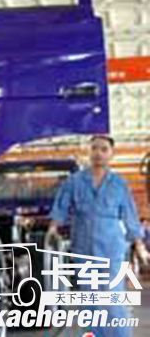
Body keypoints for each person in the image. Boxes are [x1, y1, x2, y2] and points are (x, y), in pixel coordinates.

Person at [48, 135, 150, 337]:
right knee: (90, 299)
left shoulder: (119, 184)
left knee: (113, 297)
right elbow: (60, 208)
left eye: (104, 149)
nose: (98, 153)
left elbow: (130, 216)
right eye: (94, 148)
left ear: (112, 154)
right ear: (89, 151)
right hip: (83, 247)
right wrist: (52, 230)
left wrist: (140, 246)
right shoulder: (74, 182)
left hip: (111, 248)